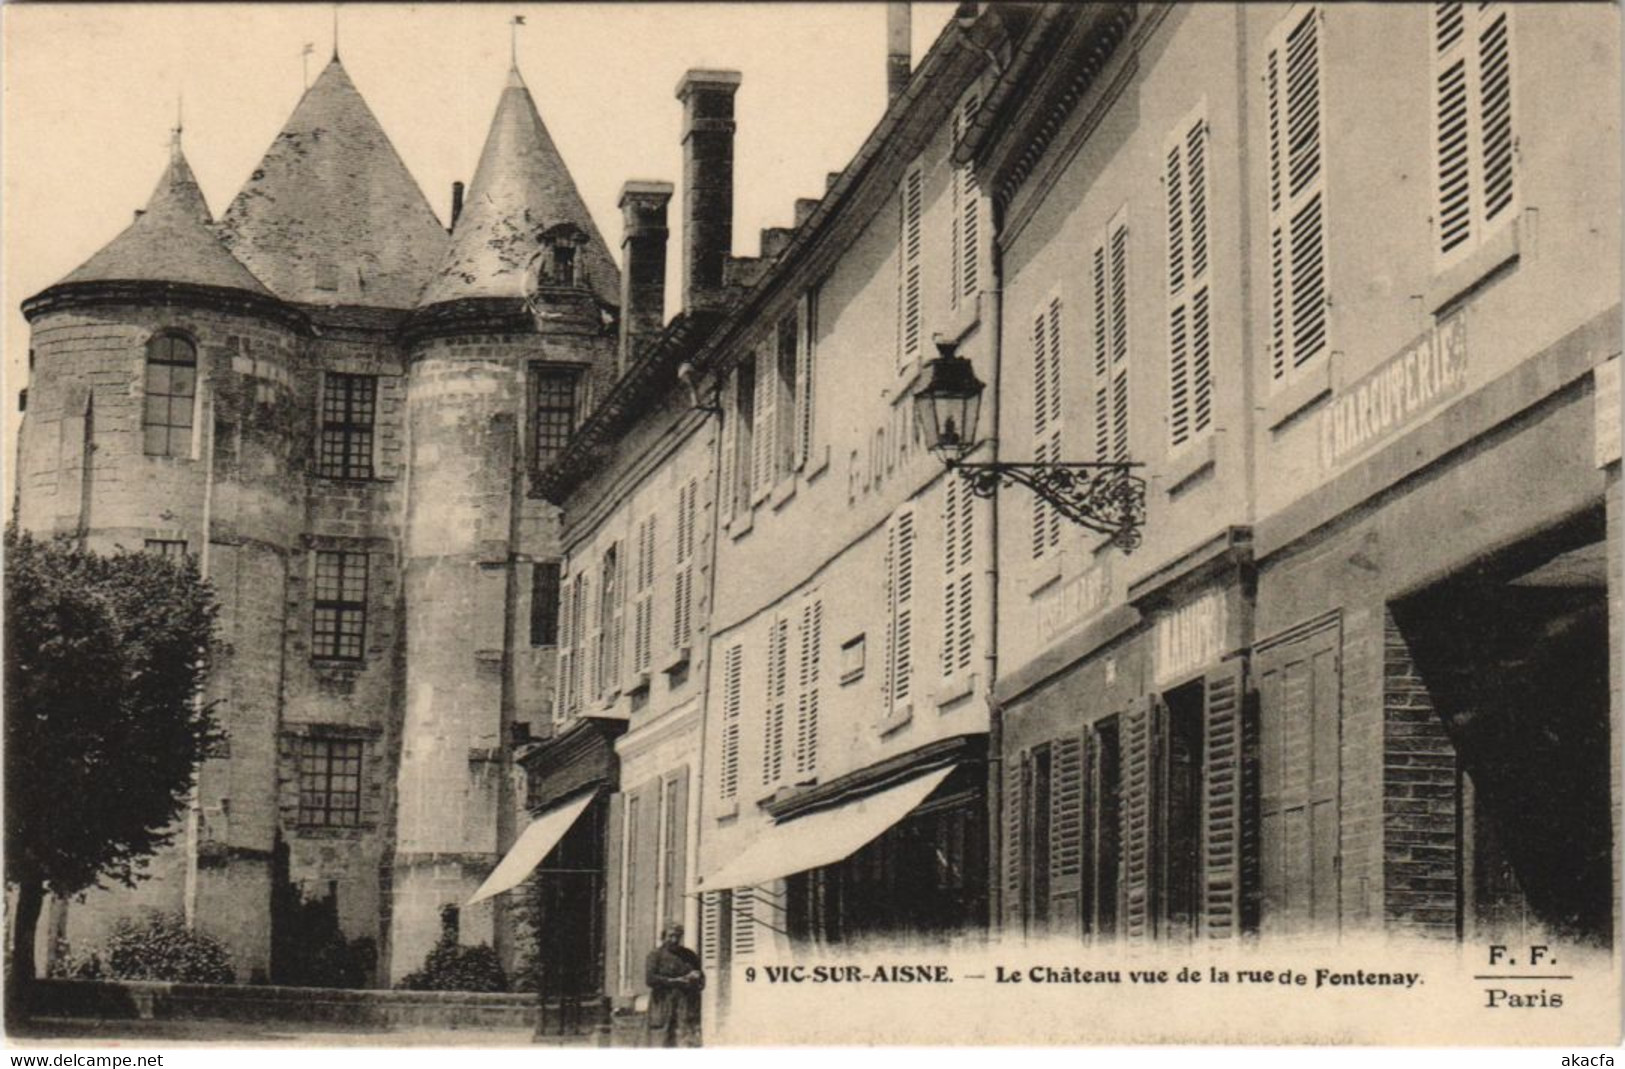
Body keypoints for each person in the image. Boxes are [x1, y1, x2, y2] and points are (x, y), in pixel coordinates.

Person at [645, 921, 704, 1047]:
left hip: (685, 1005)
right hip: (662, 1004)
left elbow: (701, 981)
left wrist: (697, 977)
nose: (674, 939)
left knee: (686, 1039)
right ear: (663, 937)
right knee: (661, 1040)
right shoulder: (655, 955)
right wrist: (675, 981)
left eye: (677, 936)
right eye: (670, 936)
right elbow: (650, 979)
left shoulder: (689, 955)